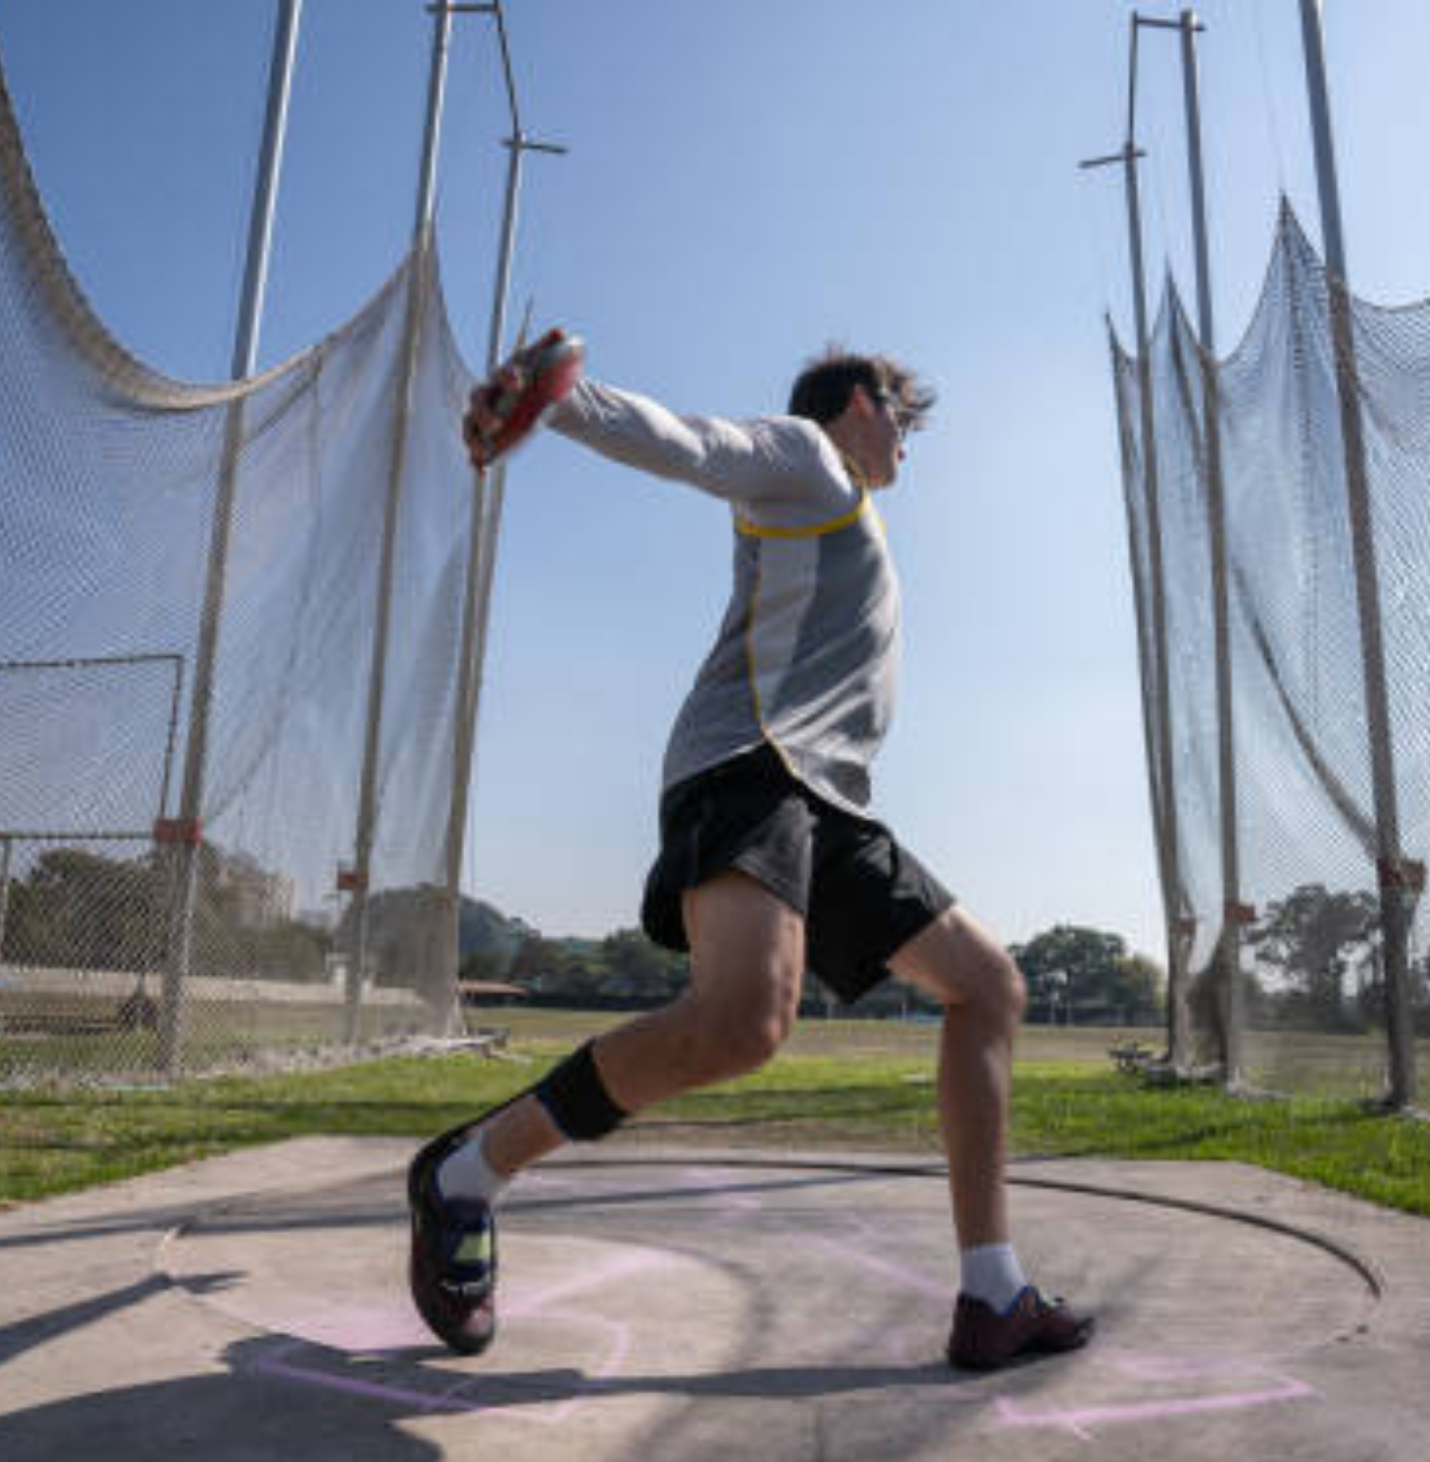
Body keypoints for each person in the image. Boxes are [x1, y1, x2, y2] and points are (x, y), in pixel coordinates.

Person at [410, 334, 1096, 1371]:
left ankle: (992, 1294)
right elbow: (696, 442)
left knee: (986, 986)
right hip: (751, 767)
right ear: (860, 402)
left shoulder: (843, 513)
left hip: (827, 802)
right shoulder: (807, 461)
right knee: (741, 1025)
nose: (907, 442)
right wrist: (561, 400)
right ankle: (466, 1172)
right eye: (902, 418)